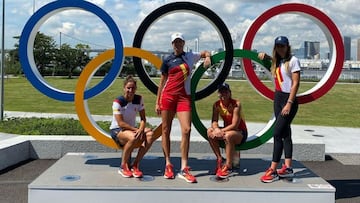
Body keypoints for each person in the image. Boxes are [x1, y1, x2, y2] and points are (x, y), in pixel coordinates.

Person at [155, 32, 211, 183]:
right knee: (165, 130)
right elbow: (162, 82)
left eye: (180, 42)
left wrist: (207, 58)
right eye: (175, 42)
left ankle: (184, 167)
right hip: (168, 96)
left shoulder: (190, 56)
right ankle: (168, 164)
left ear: (183, 43)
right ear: (172, 44)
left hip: (183, 98)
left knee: (186, 129)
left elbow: (206, 52)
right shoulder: (167, 60)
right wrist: (157, 101)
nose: (178, 44)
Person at [258, 36, 301, 183]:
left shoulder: (293, 61)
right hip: (278, 98)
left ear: (288, 46)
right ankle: (288, 168)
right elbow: (277, 63)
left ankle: (273, 170)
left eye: (282, 46)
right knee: (285, 133)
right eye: (278, 46)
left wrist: (289, 103)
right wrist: (266, 56)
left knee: (277, 133)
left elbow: (295, 84)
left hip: (288, 100)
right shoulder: (278, 61)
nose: (280, 48)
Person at [110, 75, 155, 178]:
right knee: (133, 137)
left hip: (131, 130)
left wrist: (142, 128)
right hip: (117, 130)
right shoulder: (118, 102)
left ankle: (135, 164)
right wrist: (138, 130)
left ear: (136, 89)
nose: (130, 90)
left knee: (150, 135)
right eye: (128, 88)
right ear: (124, 88)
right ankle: (123, 166)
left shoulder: (139, 99)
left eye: (133, 88)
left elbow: (143, 119)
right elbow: (120, 123)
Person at [207, 83, 248, 178]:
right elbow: (214, 121)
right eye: (221, 92)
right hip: (227, 130)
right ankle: (220, 159)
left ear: (230, 93)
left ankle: (228, 166)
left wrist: (221, 131)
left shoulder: (236, 104)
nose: (223, 94)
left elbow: (235, 125)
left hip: (239, 132)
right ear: (218, 93)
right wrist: (216, 129)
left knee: (228, 135)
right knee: (209, 131)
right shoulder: (216, 105)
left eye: (225, 92)